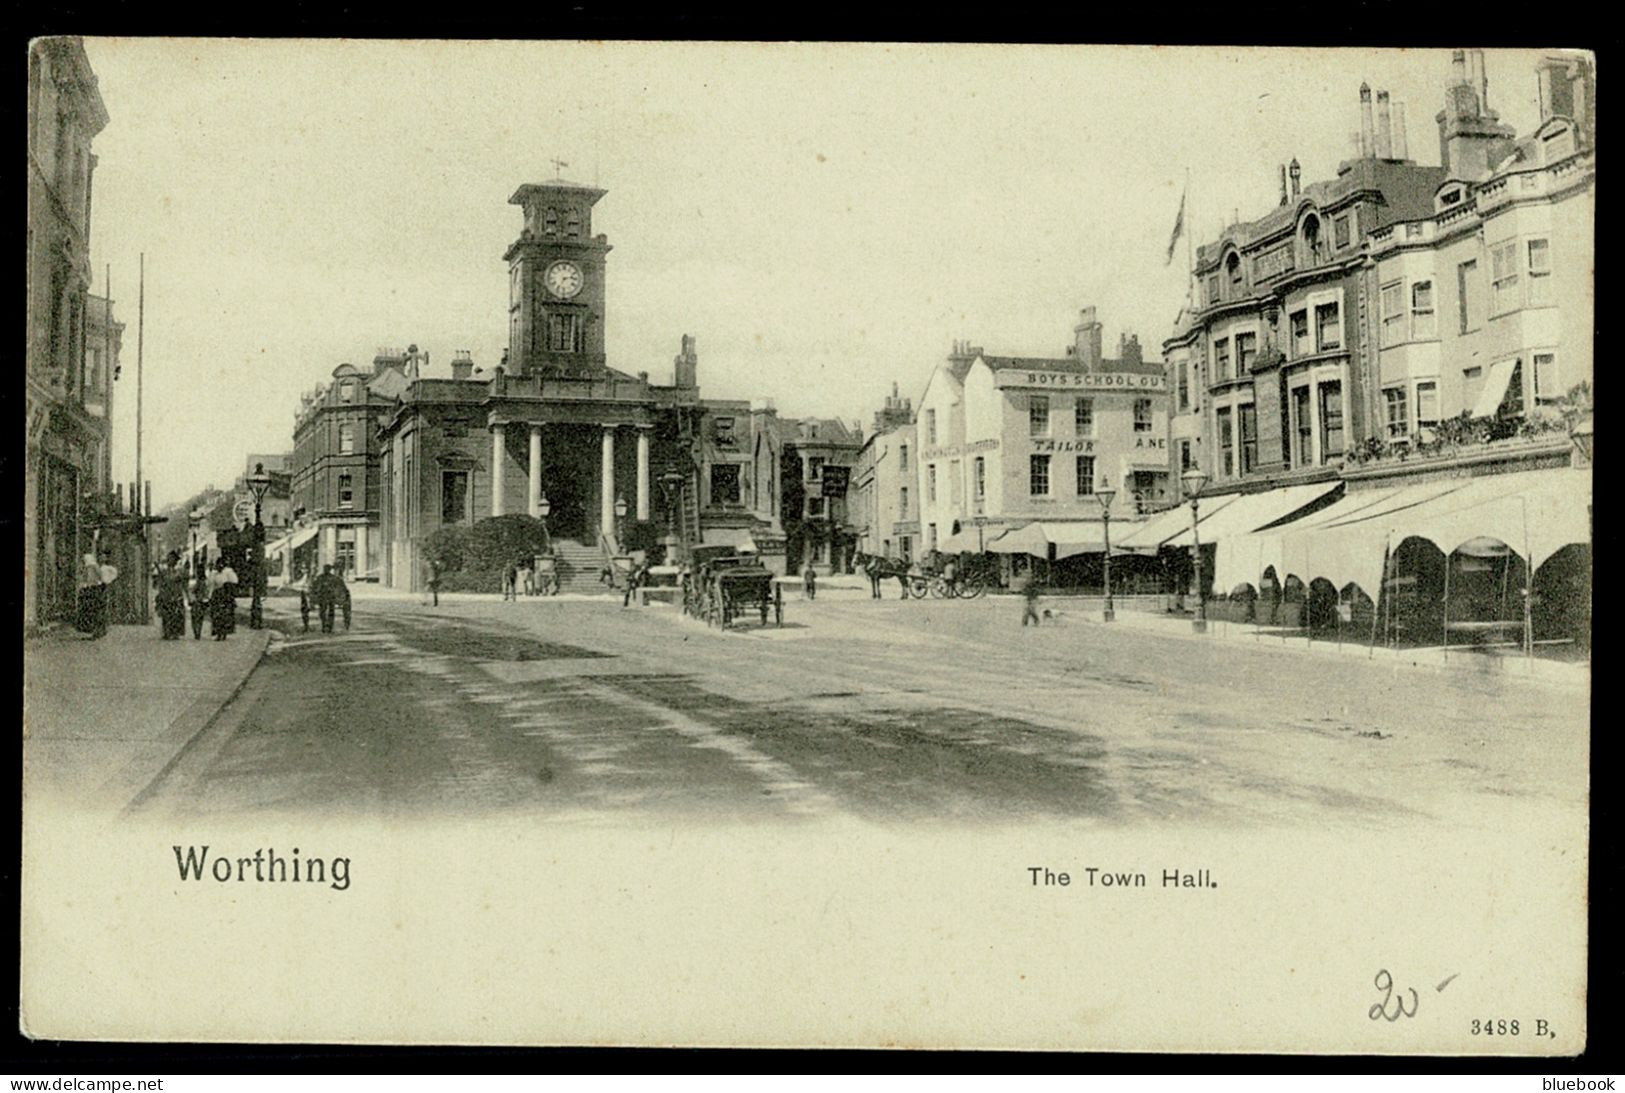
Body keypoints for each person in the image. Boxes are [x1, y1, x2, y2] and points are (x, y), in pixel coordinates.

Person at [154, 551, 188, 640]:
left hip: (176, 596)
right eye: (168, 559)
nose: (169, 561)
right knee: (166, 615)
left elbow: (181, 583)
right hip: (166, 596)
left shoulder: (179, 571)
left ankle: (175, 632)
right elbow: (161, 582)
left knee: (176, 615)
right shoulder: (165, 571)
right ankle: (167, 632)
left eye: (171, 559)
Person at [208, 557, 238, 640]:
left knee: (225, 615)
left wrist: (230, 594)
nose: (219, 567)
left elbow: (234, 583)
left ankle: (224, 632)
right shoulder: (214, 574)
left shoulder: (228, 573)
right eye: (218, 565)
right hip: (216, 595)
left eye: (221, 565)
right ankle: (218, 632)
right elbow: (211, 586)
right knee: (216, 615)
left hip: (226, 595)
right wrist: (210, 596)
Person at [311, 563, 344, 633]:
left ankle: (330, 625)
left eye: (327, 569)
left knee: (331, 611)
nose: (326, 570)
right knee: (322, 611)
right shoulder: (320, 578)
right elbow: (315, 587)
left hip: (331, 597)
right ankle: (324, 624)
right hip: (322, 597)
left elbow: (338, 587)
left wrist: (338, 596)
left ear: (329, 570)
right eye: (325, 569)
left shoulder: (333, 578)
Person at [189, 558, 210, 640]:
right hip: (202, 601)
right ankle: (198, 632)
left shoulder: (199, 582)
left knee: (194, 618)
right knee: (200, 618)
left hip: (197, 601)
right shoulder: (205, 580)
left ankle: (196, 632)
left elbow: (194, 590)